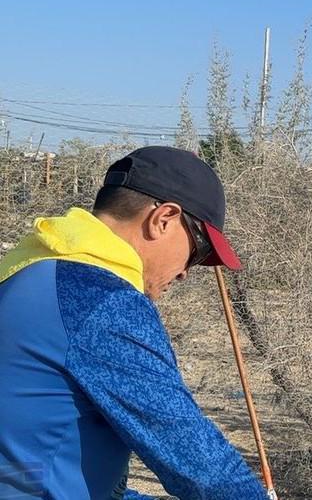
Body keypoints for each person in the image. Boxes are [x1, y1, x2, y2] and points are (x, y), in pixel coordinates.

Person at [0, 146, 269, 499]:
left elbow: (46, 452)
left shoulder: (26, 272)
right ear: (164, 219)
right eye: (199, 250)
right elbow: (199, 467)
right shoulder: (101, 301)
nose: (187, 272)